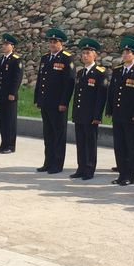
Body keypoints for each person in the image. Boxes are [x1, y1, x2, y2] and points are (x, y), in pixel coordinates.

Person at [105, 36, 134, 186]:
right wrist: (109, 109)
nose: (125, 55)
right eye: (124, 52)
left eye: (128, 52)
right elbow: (112, 91)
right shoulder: (118, 71)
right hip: (118, 114)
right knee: (120, 145)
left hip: (132, 116)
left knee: (132, 145)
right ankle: (122, 173)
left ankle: (130, 175)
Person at [34, 28, 75, 174]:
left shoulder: (66, 58)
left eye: (55, 42)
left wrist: (64, 102)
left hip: (58, 104)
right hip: (45, 102)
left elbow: (69, 83)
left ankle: (57, 164)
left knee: (58, 134)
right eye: (50, 41)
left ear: (61, 43)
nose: (52, 44)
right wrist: (37, 97)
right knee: (48, 134)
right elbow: (41, 79)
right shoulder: (45, 58)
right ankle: (48, 162)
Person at [69, 38, 108, 180]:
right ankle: (81, 167)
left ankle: (89, 169)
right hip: (80, 114)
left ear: (94, 56)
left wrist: (97, 116)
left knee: (90, 143)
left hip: (91, 115)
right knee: (80, 142)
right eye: (83, 53)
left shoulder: (100, 73)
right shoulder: (80, 73)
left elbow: (101, 97)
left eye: (88, 53)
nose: (85, 56)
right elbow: (78, 95)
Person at [0, 33, 23, 154]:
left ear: (12, 46)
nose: (4, 46)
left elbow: (17, 78)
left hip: (10, 95)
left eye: (7, 44)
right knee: (2, 121)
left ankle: (10, 145)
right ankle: (3, 144)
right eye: (3, 44)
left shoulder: (16, 60)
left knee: (10, 121)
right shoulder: (0, 60)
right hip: (1, 94)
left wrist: (13, 92)